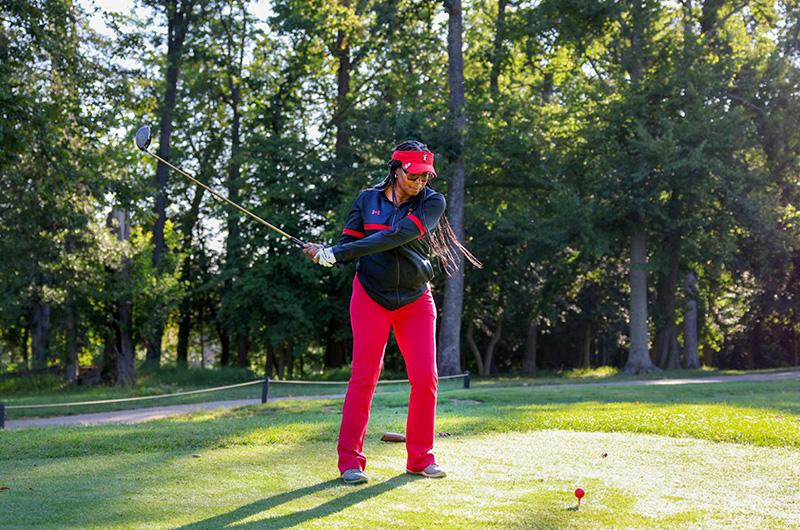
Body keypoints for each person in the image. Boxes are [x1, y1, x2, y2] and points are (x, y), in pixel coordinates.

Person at [303, 140, 481, 485]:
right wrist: (325, 253)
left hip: (415, 299)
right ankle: (350, 462)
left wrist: (337, 254)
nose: (419, 183)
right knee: (364, 377)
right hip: (370, 296)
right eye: (413, 176)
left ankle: (420, 458)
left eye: (424, 177)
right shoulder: (366, 200)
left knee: (425, 379)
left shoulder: (432, 201)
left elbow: (396, 236)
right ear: (396, 169)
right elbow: (349, 243)